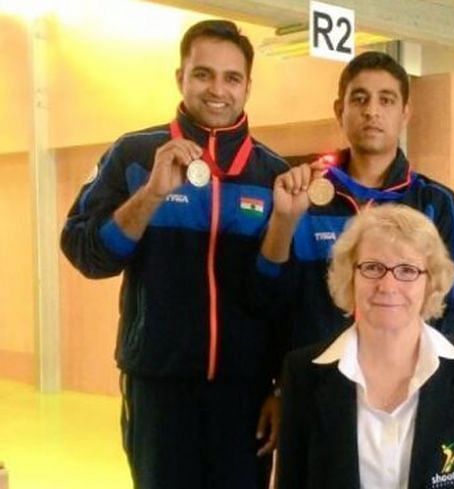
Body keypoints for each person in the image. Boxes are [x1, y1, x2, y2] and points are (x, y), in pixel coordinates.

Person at [60, 20, 288, 489]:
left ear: (248, 86)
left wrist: (283, 387)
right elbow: (88, 254)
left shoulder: (272, 174)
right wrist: (150, 195)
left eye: (232, 78)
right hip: (158, 388)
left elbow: (286, 299)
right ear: (180, 77)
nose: (218, 90)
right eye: (203, 74)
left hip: (244, 393)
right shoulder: (134, 154)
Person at [277, 204, 454, 489]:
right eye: (373, 267)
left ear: (431, 281)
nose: (388, 286)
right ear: (350, 276)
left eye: (407, 270)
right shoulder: (302, 372)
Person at [260, 51, 454, 350]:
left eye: (386, 100)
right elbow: (269, 297)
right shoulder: (305, 195)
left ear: (405, 113)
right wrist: (284, 221)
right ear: (339, 110)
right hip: (319, 383)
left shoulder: (437, 203)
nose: (372, 111)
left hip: (409, 386)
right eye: (359, 99)